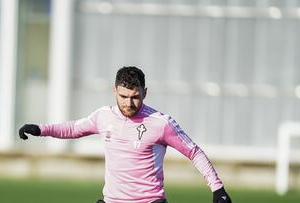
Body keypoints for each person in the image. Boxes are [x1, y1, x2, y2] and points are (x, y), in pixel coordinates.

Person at [19, 66, 232, 203]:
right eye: (123, 96)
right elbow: (74, 128)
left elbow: (194, 152)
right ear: (114, 91)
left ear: (145, 93)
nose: (129, 103)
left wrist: (217, 189)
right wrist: (41, 129)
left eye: (135, 97)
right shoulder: (103, 116)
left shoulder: (161, 123)